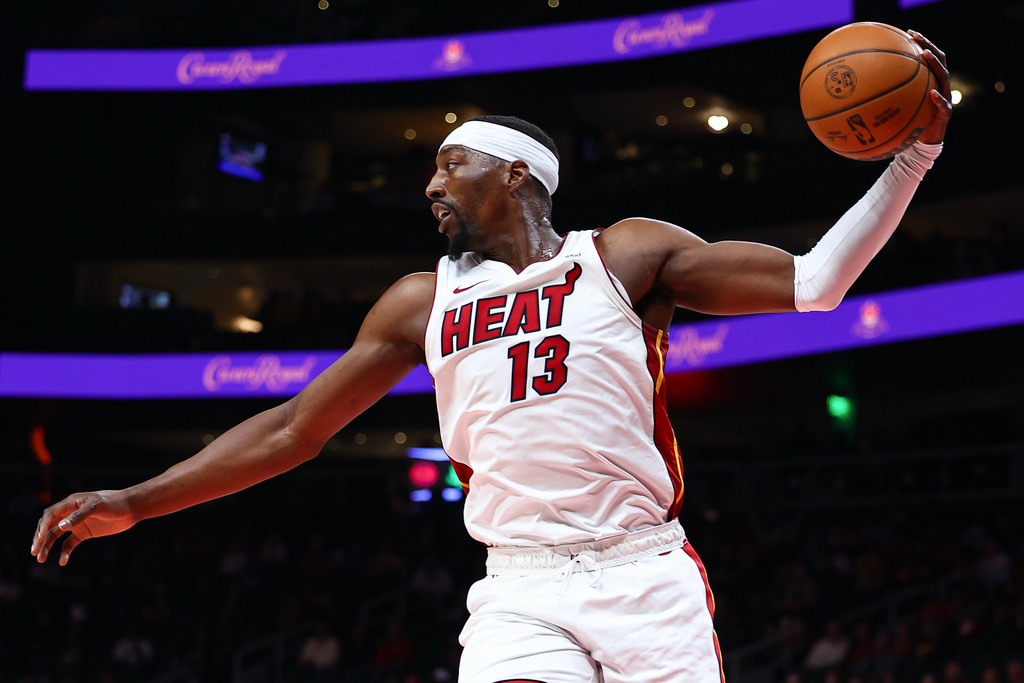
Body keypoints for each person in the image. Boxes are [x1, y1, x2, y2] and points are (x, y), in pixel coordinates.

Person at [31, 31, 952, 683]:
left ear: (516, 173)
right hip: (520, 583)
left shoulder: (623, 254)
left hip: (643, 571)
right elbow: (292, 427)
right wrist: (134, 500)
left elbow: (817, 282)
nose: (431, 182)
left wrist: (912, 155)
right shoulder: (419, 300)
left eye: (450, 164)